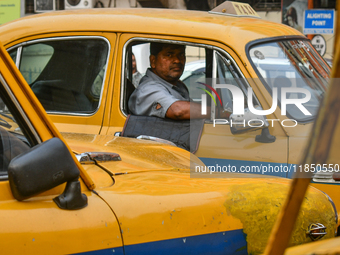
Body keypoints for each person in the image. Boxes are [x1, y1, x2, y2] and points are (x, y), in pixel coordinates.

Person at [128, 42, 228, 120]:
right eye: (169, 55)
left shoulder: (177, 85)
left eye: (181, 54)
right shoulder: (148, 89)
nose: (177, 60)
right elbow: (177, 110)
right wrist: (221, 113)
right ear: (153, 61)